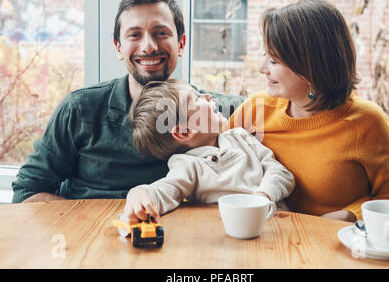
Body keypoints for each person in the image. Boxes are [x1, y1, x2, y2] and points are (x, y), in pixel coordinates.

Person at [11, 0, 244, 203]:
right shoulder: (80, 108)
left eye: (161, 32)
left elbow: (276, 108)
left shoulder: (211, 112)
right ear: (118, 48)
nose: (149, 46)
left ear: (181, 43)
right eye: (134, 35)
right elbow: (28, 192)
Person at [229, 0, 389, 222]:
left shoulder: (367, 122)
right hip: (263, 242)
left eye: (274, 61)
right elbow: (211, 164)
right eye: (264, 56)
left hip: (335, 248)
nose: (262, 69)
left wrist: (346, 216)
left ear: (311, 66)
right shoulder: (255, 110)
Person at [122, 79, 295, 222]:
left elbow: (281, 173)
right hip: (228, 233)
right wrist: (139, 193)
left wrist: (262, 196)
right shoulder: (188, 165)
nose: (207, 96)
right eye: (196, 98)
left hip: (278, 224)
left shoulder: (241, 137)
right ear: (185, 131)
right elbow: (167, 189)